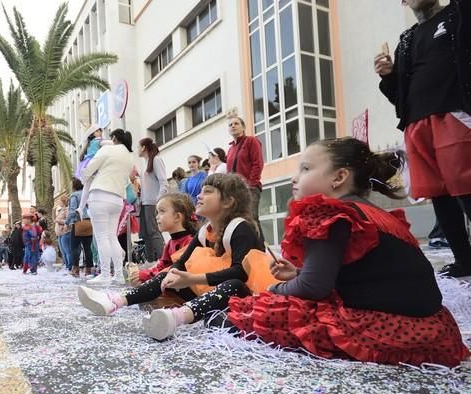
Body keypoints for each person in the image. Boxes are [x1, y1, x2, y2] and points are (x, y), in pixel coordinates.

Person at [191, 137, 471, 367]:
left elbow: (313, 288)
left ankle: (224, 321)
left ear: (339, 177)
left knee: (279, 309)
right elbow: (365, 274)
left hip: (382, 326)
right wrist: (299, 273)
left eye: (305, 169)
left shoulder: (329, 213)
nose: (294, 177)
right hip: (435, 329)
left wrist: (276, 289)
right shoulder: (372, 213)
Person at [78, 174, 263, 330]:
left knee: (235, 283)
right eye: (201, 190)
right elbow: (180, 263)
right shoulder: (205, 231)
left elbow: (240, 272)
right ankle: (116, 301)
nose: (199, 196)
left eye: (207, 192)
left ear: (228, 202)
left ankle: (176, 318)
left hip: (244, 296)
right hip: (209, 291)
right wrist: (171, 275)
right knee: (169, 273)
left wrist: (190, 279)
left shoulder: (241, 228)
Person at [375, 0, 471, 278]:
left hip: (453, 113)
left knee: (465, 187)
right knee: (438, 193)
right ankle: (464, 259)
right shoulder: (407, 38)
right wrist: (388, 76)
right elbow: (400, 94)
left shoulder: (459, 12)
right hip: (416, 123)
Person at [82, 129, 135, 285]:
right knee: (112, 236)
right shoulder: (128, 156)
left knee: (101, 237)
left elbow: (89, 169)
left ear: (114, 138)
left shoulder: (108, 149)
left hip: (100, 194)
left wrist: (86, 175)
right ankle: (118, 274)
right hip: (117, 199)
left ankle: (105, 274)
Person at [128, 193, 197, 285]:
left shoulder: (189, 242)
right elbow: (162, 265)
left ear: (177, 216)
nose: (157, 217)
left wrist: (146, 275)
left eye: (162, 211)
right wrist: (144, 274)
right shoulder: (171, 242)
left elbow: (175, 270)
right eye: (157, 212)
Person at [226, 112, 264, 242]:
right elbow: (229, 171)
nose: (233, 126)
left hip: (250, 188)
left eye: (236, 123)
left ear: (243, 127)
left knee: (251, 218)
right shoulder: (230, 149)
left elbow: (257, 164)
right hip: (235, 191)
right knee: (238, 222)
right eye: (230, 124)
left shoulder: (251, 141)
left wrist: (251, 185)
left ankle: (260, 249)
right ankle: (246, 249)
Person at [138, 137, 168, 262]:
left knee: (154, 232)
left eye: (139, 147)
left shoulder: (156, 160)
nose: (137, 150)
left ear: (144, 147)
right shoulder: (146, 163)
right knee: (146, 234)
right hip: (145, 203)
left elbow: (164, 183)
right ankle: (151, 262)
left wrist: (158, 201)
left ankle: (164, 261)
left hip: (153, 203)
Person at [67, 177, 94, 277]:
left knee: (74, 247)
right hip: (88, 222)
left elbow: (73, 210)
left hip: (78, 223)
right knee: (88, 248)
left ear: (74, 185)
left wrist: (67, 222)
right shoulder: (87, 193)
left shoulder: (74, 195)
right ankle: (89, 269)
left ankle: (76, 269)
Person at [55, 196, 72, 272]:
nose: (59, 203)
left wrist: (59, 221)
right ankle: (66, 265)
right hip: (59, 234)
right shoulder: (61, 210)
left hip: (65, 232)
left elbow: (68, 221)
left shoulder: (67, 209)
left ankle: (70, 266)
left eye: (60, 201)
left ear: (64, 202)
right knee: (62, 251)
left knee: (67, 250)